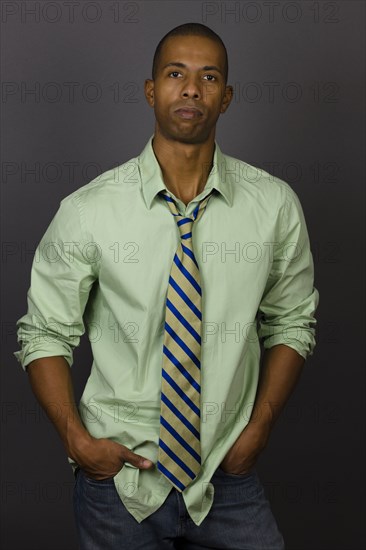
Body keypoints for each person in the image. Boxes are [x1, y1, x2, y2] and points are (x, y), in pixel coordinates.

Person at [14, 22, 319, 550]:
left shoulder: (274, 206)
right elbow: (44, 334)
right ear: (152, 90)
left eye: (208, 77)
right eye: (176, 74)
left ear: (226, 97)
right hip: (121, 482)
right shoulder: (88, 212)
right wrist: (77, 440)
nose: (192, 89)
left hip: (228, 474)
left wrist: (261, 425)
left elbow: (292, 321)